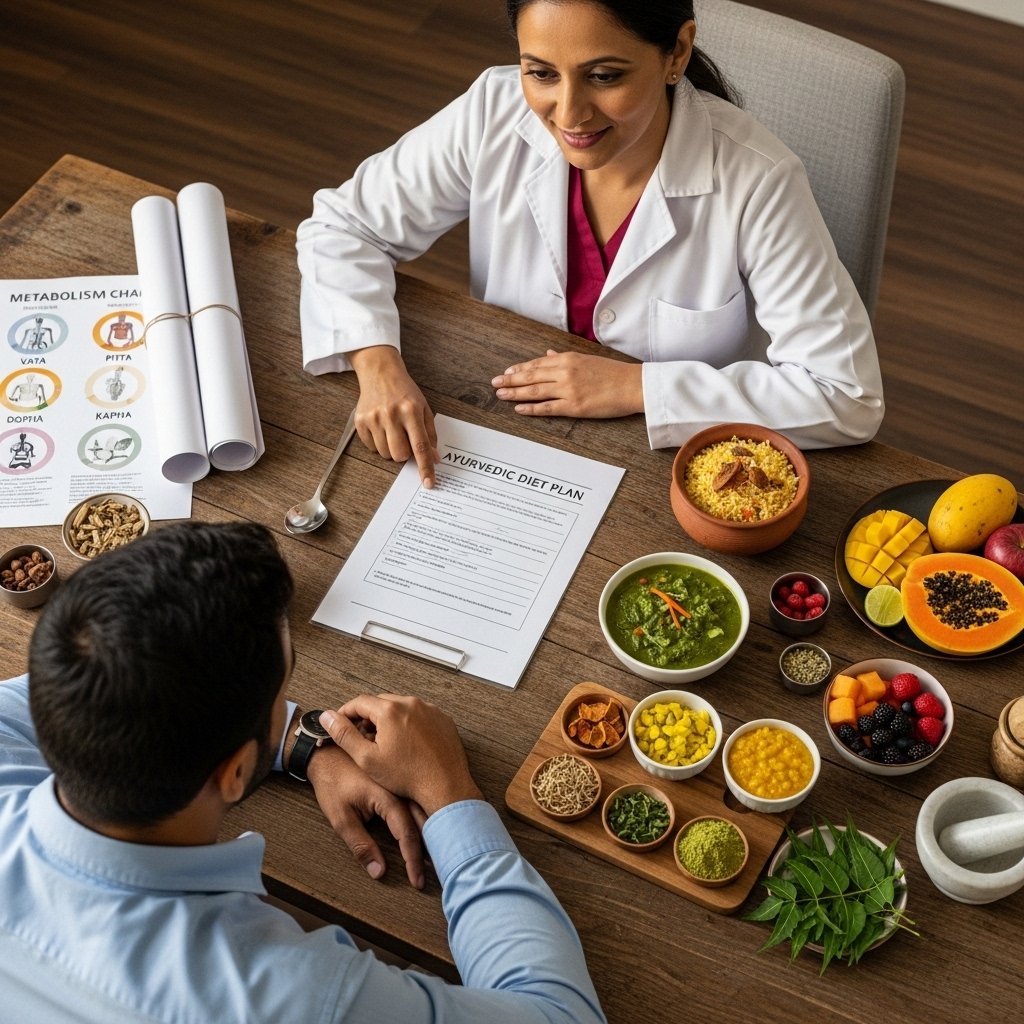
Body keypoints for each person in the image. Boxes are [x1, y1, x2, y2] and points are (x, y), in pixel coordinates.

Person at [0, 522, 605, 1023]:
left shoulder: (63, 690)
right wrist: (446, 793)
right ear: (235, 774)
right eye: (282, 693)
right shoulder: (284, 996)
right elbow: (561, 1015)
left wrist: (304, 741)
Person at [297, 0, 884, 488]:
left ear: (677, 52)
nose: (569, 114)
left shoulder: (759, 181)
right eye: (541, 73)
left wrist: (636, 385)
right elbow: (343, 226)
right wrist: (376, 363)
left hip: (681, 469)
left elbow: (846, 394)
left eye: (605, 77)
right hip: (502, 431)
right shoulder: (491, 112)